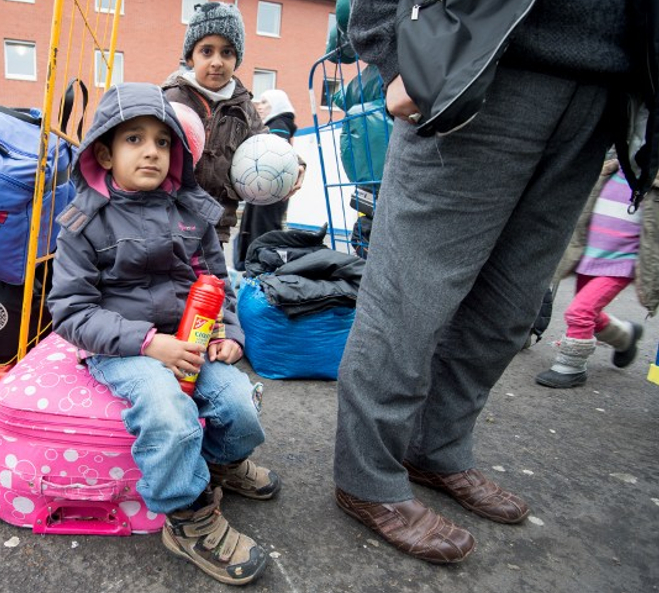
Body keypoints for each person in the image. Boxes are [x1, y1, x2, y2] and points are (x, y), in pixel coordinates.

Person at [333, 0, 637, 564]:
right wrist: (395, 56)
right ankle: (368, 478)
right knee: (409, 298)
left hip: (599, 94)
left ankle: (437, 450)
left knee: (511, 306)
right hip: (479, 64)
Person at [46, 82, 279, 586]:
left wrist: (228, 335)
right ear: (104, 153)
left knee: (240, 403)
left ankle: (220, 466)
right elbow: (70, 311)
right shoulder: (83, 224)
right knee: (168, 410)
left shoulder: (192, 214)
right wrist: (152, 344)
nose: (151, 150)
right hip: (124, 347)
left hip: (190, 338)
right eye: (134, 140)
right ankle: (187, 515)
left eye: (163, 141)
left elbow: (219, 285)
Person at [163, 2, 304, 245]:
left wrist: (295, 164)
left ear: (237, 58)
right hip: (168, 217)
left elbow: (266, 142)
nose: (217, 61)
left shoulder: (244, 106)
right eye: (207, 51)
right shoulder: (171, 98)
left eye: (227, 52)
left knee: (210, 283)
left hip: (216, 225)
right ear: (190, 57)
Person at [535, 158, 656, 388]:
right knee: (590, 312)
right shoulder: (609, 171)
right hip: (592, 256)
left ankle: (571, 367)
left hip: (621, 264)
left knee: (579, 312)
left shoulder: (653, 185)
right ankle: (626, 336)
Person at [232, 89, 299, 270]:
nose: (259, 106)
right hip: (266, 189)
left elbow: (274, 158)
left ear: (277, 105)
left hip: (267, 191)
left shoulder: (277, 127)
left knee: (261, 233)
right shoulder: (279, 125)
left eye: (264, 102)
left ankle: (259, 272)